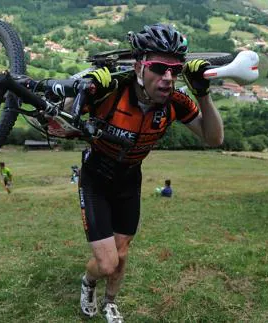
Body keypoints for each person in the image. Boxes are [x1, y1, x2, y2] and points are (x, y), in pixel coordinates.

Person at [77, 23, 223, 322]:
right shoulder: (112, 91)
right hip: (96, 177)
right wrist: (88, 86)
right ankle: (89, 282)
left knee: (123, 253)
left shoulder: (175, 102)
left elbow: (214, 138)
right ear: (139, 66)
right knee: (107, 264)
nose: (167, 77)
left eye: (175, 69)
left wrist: (203, 93)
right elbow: (59, 116)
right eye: (159, 67)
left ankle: (110, 301)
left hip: (130, 178)